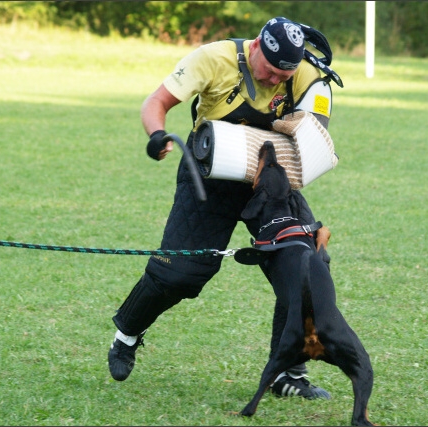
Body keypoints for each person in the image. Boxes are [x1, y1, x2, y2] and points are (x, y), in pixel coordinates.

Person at [108, 16, 342, 400]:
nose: (275, 81)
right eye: (269, 71)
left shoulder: (305, 75)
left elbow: (315, 135)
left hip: (270, 178)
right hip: (210, 170)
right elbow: (157, 102)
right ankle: (127, 333)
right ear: (255, 48)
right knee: (180, 274)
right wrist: (157, 134)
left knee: (308, 263)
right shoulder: (212, 58)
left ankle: (288, 374)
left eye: (285, 74)